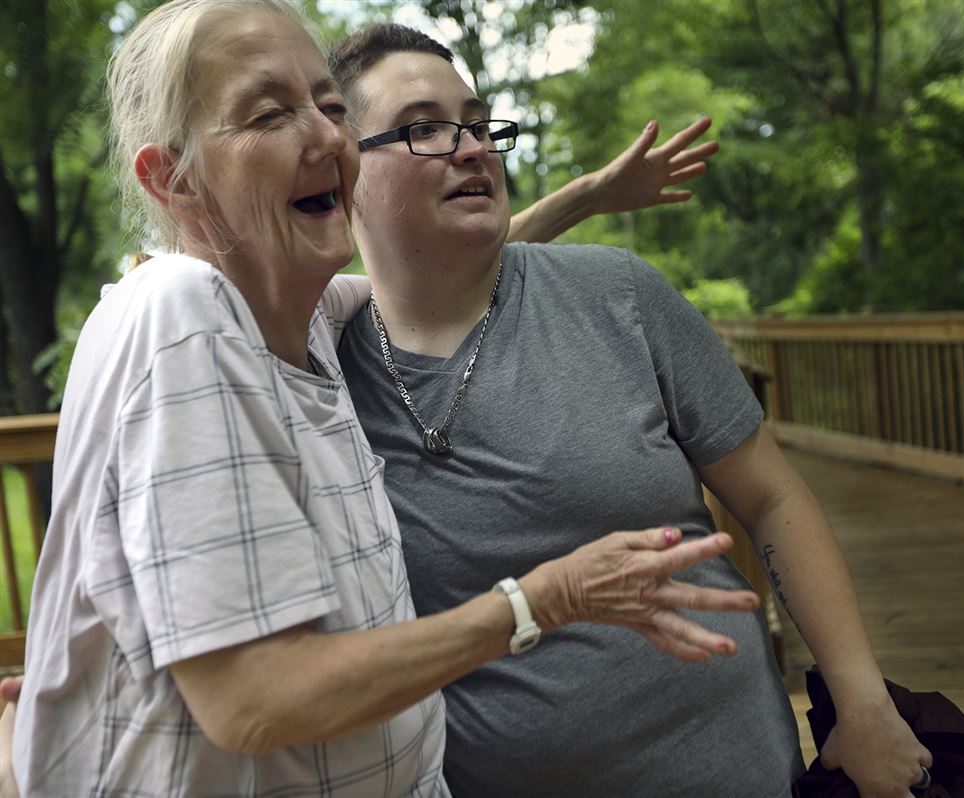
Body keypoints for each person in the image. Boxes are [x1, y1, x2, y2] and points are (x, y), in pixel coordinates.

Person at [2, 2, 770, 795]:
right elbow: (253, 700)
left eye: (331, 108)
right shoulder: (181, 311)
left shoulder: (305, 318)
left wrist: (588, 195)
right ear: (173, 180)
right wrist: (543, 599)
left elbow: (433, 266)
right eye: (269, 114)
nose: (327, 137)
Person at [324, 22, 935, 798]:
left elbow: (772, 498)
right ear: (342, 169)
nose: (471, 147)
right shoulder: (319, 372)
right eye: (425, 129)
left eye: (478, 125)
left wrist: (864, 704)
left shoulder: (619, 296)